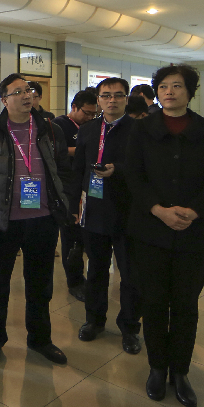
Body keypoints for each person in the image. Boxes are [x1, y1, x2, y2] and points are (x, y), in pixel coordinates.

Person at [125, 64, 204, 407]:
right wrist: (158, 210)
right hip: (150, 230)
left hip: (194, 233)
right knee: (154, 302)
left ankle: (180, 372)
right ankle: (157, 368)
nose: (169, 92)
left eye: (177, 86)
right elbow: (134, 176)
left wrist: (195, 212)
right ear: (157, 92)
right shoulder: (142, 129)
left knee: (185, 304)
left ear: (190, 91)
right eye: (163, 86)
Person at [0, 73, 72, 366]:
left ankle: (40, 339)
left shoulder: (50, 129)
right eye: (18, 92)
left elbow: (64, 171)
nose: (27, 95)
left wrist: (64, 206)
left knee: (40, 285)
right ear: (4, 100)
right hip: (4, 221)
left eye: (28, 90)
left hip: (43, 219)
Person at [69, 78, 142, 355]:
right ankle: (94, 320)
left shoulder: (139, 130)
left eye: (118, 95)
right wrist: (73, 205)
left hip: (128, 212)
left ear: (126, 99)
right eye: (106, 95)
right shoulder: (89, 129)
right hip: (95, 211)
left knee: (130, 275)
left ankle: (130, 327)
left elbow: (145, 170)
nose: (112, 100)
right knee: (96, 270)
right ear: (98, 99)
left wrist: (117, 170)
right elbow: (78, 170)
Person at [52, 90, 97, 302]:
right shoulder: (59, 125)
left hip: (88, 186)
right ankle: (74, 281)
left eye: (93, 114)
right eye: (86, 113)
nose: (89, 117)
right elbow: (57, 151)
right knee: (71, 236)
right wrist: (83, 149)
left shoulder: (93, 126)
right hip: (67, 189)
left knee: (85, 236)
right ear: (74, 107)